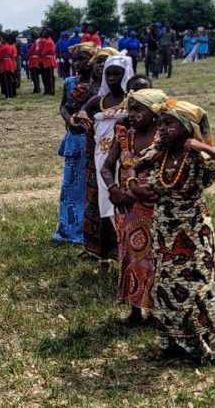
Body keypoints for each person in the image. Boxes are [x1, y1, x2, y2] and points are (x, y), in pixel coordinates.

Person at [130, 98, 215, 363]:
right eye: (161, 123)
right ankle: (172, 343)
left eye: (169, 123)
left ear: (186, 125)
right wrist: (134, 185)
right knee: (166, 286)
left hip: (194, 230)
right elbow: (134, 166)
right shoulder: (160, 152)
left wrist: (202, 146)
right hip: (164, 228)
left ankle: (205, 342)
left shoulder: (197, 154)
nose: (163, 129)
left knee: (197, 286)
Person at [100, 88, 165, 325]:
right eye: (131, 109)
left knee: (157, 258)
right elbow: (106, 167)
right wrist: (113, 189)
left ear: (156, 111)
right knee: (131, 256)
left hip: (157, 204)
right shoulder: (124, 135)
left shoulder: (164, 136)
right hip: (128, 207)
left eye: (139, 109)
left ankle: (159, 311)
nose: (133, 114)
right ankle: (136, 311)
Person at [73, 47, 120, 264]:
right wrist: (79, 117)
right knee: (95, 198)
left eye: (108, 64)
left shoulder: (132, 97)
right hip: (96, 154)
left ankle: (118, 249)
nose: (103, 68)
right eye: (100, 62)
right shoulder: (93, 94)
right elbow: (74, 110)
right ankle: (94, 247)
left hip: (121, 154)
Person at [53, 41, 98, 244]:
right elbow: (63, 106)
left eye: (83, 58)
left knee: (89, 187)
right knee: (71, 187)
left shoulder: (100, 85)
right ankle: (69, 229)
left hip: (91, 140)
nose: (78, 63)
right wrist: (68, 118)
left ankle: (89, 230)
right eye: (76, 59)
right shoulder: (70, 82)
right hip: (73, 139)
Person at [0, 33, 18, 98]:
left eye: (2, 38)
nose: (1, 39)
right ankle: (11, 94)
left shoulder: (3, 47)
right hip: (10, 63)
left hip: (5, 64)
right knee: (11, 79)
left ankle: (8, 95)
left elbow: (0, 57)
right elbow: (14, 56)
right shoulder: (11, 47)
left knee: (6, 80)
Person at [39, 28, 57, 95]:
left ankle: (52, 91)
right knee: (48, 76)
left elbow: (43, 52)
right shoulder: (48, 40)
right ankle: (50, 90)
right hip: (47, 60)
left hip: (49, 60)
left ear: (48, 34)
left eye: (45, 33)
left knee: (50, 77)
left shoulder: (48, 41)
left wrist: (42, 53)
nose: (43, 34)